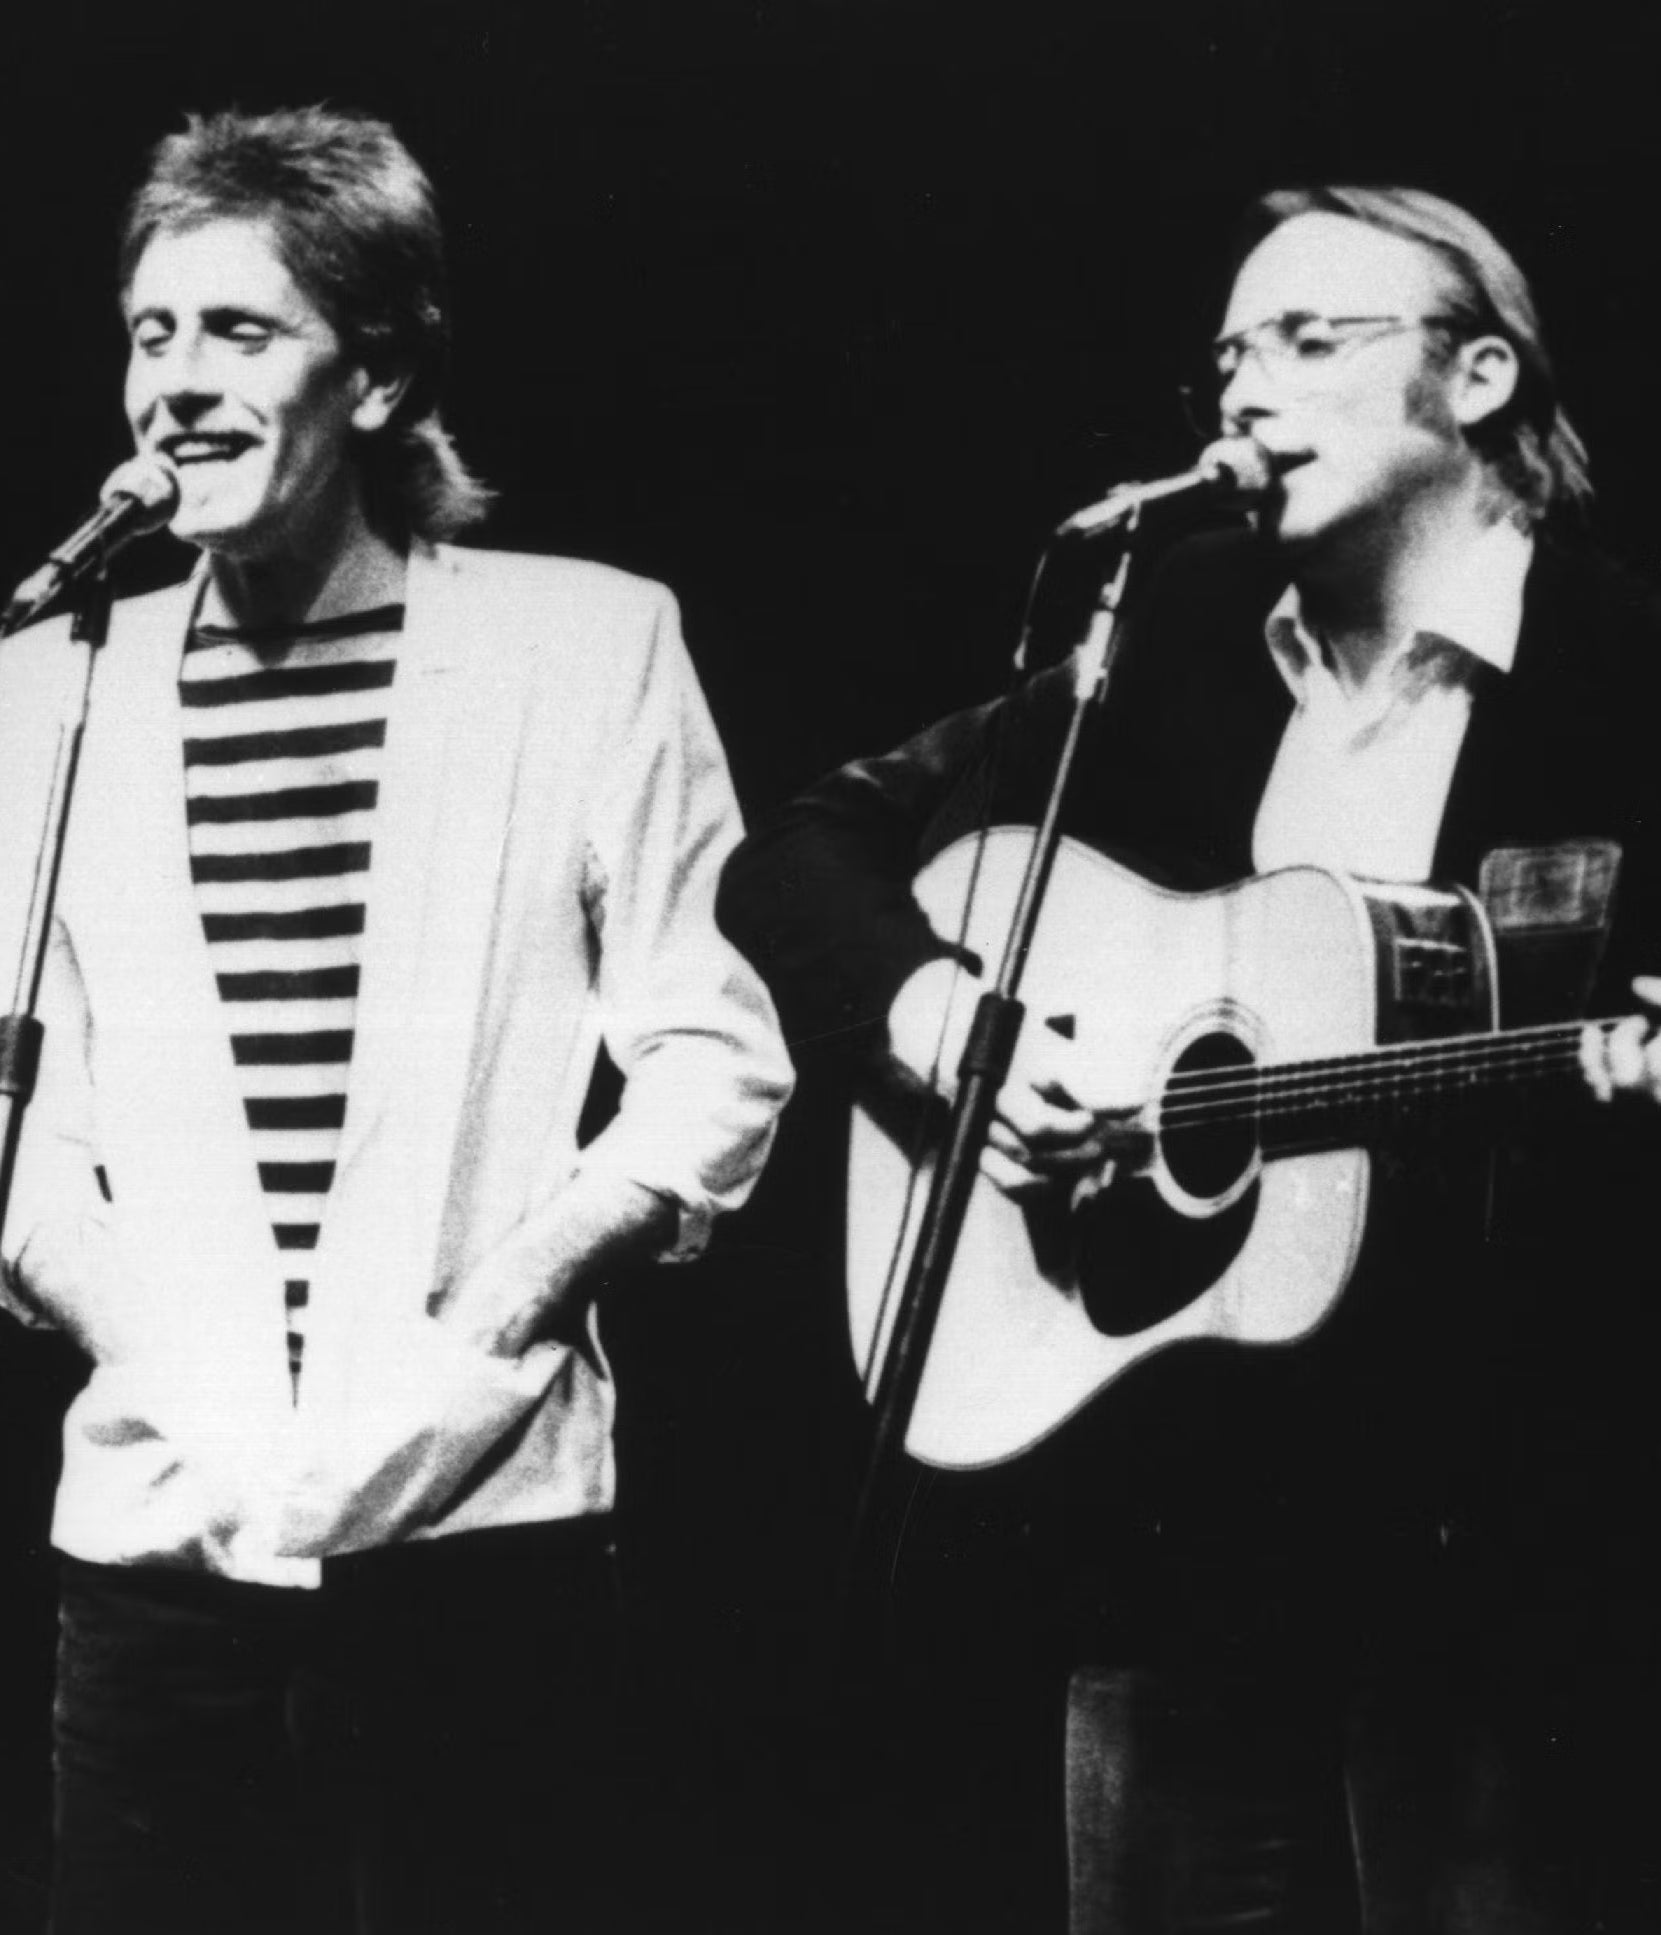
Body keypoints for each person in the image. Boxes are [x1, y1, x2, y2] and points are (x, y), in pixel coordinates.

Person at [721, 184, 1661, 1932]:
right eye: (1227, 358)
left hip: (1513, 1580)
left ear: (1475, 379)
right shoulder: (1157, 658)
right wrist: (950, 1033)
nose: (1242, 393)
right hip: (1174, 1557)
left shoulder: (1626, 675)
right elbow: (799, 856)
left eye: (1310, 343)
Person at [0, 107, 790, 1933]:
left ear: (381, 375)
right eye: (150, 335)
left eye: (238, 333)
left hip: (479, 1524)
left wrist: (499, 1306)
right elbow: (4, 1130)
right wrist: (170, 1362)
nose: (173, 384)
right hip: (164, 1545)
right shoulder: (44, 690)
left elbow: (712, 1054)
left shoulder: (583, 644)